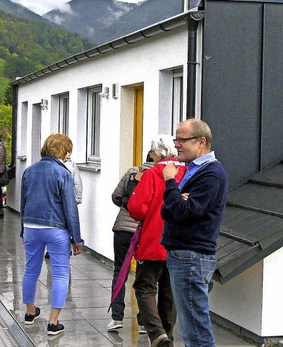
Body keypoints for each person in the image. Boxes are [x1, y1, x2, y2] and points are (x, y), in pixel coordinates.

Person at [161, 119, 229, 347]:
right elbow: (166, 210)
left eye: (182, 140)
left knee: (196, 332)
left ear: (202, 142)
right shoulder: (195, 171)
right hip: (186, 257)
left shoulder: (211, 174)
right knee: (191, 328)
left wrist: (170, 182)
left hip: (191, 258)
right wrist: (175, 200)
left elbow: (181, 212)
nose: (176, 145)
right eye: (176, 140)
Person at [20, 133, 83, 336]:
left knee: (31, 270)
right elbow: (70, 209)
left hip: (31, 227)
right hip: (56, 229)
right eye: (68, 152)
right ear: (63, 152)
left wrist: (24, 227)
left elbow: (24, 202)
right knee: (60, 273)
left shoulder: (29, 171)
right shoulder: (62, 173)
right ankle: (53, 322)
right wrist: (76, 238)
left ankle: (30, 313)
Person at [127, 135, 187, 347]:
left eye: (151, 153)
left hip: (153, 241)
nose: (150, 156)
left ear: (158, 153)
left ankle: (157, 334)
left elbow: (136, 209)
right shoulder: (187, 173)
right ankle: (168, 335)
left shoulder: (153, 174)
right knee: (169, 291)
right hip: (179, 242)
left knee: (145, 287)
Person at [107, 159, 154, 333]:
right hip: (145, 232)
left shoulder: (133, 172)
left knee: (119, 271)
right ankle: (143, 321)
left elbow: (115, 196)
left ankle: (116, 317)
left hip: (123, 230)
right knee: (145, 275)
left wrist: (127, 207)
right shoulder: (160, 176)